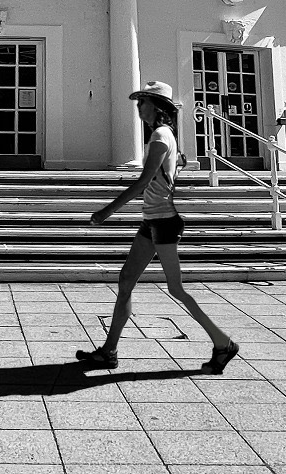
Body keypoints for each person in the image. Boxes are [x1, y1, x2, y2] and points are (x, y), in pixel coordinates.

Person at [76, 81, 239, 374]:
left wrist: (107, 210)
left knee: (176, 288)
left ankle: (224, 344)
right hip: (152, 220)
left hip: (163, 221)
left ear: (157, 107)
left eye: (144, 102)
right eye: (139, 102)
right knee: (126, 281)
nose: (139, 107)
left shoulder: (161, 135)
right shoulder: (161, 135)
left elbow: (144, 180)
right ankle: (108, 352)